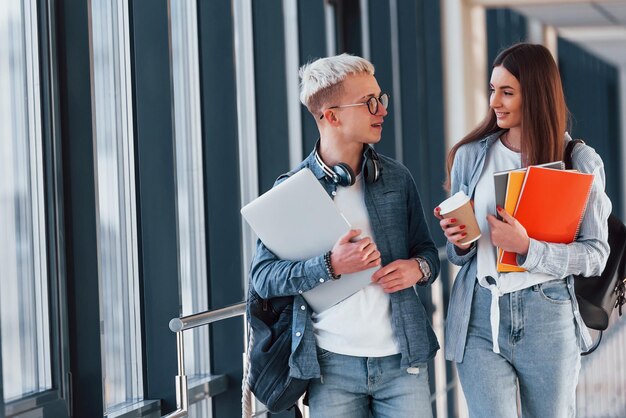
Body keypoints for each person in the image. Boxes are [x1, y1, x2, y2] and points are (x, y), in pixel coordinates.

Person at [249, 53, 440, 417]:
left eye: (380, 99)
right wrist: (330, 265)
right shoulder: (292, 190)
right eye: (369, 102)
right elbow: (263, 278)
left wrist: (417, 269)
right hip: (330, 367)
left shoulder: (397, 179)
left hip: (403, 363)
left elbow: (428, 253)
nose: (381, 110)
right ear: (331, 116)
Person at [434, 43, 611, 418]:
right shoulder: (471, 155)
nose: (494, 101)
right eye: (492, 89)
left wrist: (528, 247)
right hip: (480, 315)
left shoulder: (579, 161)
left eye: (507, 92)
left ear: (536, 94)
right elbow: (457, 256)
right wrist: (459, 240)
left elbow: (596, 255)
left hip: (547, 314)